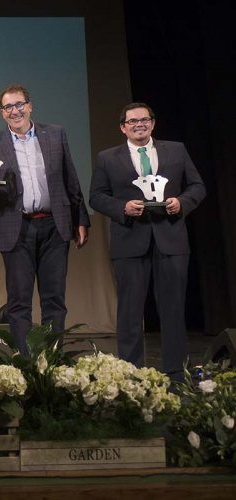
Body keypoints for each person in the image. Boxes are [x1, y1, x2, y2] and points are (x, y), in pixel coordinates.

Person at [89, 102, 205, 380]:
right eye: (132, 121)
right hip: (129, 239)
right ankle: (130, 371)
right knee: (130, 310)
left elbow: (197, 186)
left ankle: (176, 372)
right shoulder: (107, 157)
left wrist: (182, 202)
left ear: (152, 123)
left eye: (144, 120)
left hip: (171, 239)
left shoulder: (175, 150)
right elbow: (96, 196)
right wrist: (122, 208)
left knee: (173, 308)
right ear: (123, 127)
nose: (139, 124)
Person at [0, 84, 90, 355]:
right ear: (2, 113)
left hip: (55, 225)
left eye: (19, 105)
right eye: (8, 107)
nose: (15, 111)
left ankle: (50, 363)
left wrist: (81, 219)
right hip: (16, 228)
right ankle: (27, 365)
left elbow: (70, 177)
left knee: (54, 300)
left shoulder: (54, 135)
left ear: (30, 106)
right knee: (19, 302)